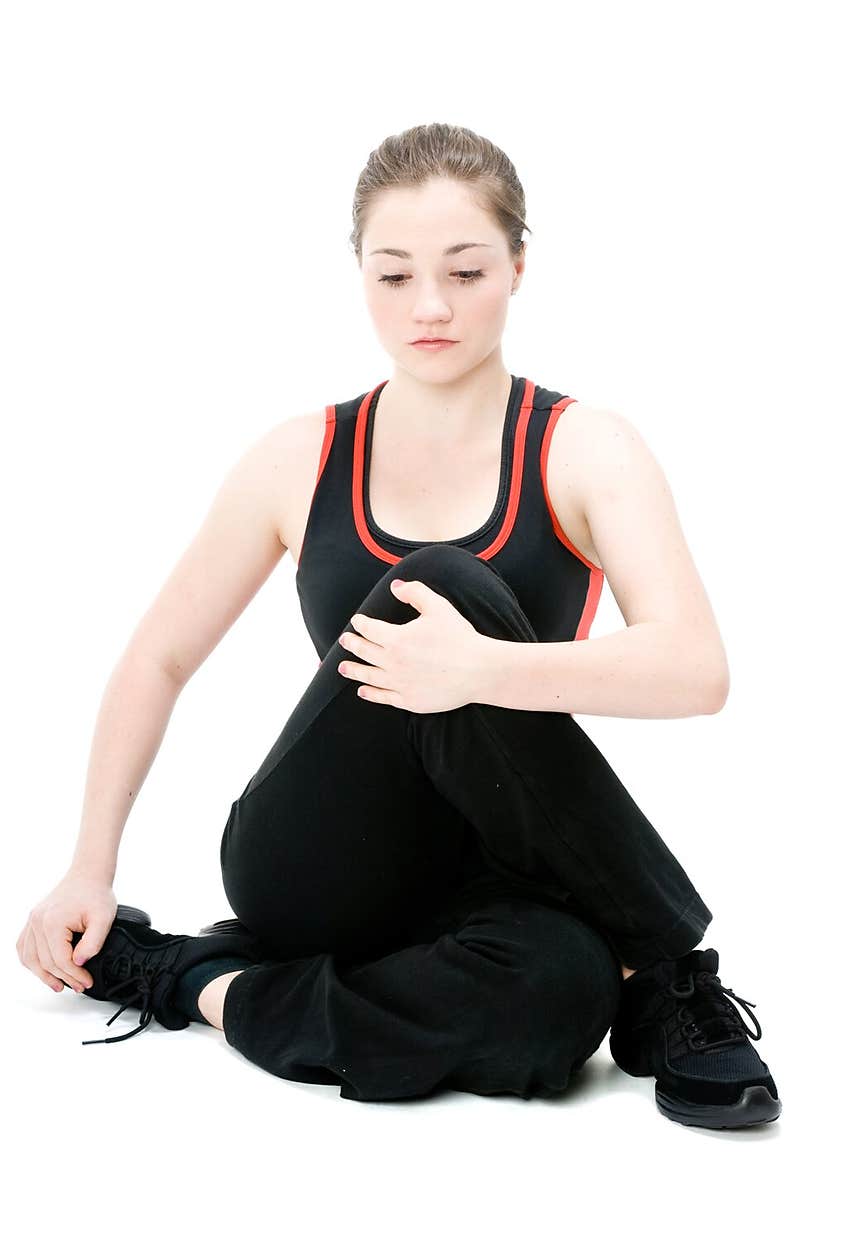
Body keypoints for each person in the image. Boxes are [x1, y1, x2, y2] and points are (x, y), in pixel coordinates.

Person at [16, 122, 780, 1130]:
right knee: (440, 583)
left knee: (560, 1002)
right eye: (394, 276)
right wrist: (87, 868)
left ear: (517, 265)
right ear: (359, 278)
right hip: (321, 857)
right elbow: (158, 656)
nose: (429, 306)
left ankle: (192, 980)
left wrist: (480, 671)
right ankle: (670, 967)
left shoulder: (584, 447)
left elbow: (694, 669)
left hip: (502, 881)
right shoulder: (299, 456)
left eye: (465, 272)